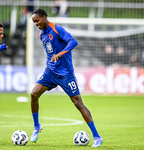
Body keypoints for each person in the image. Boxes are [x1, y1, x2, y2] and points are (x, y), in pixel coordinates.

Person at [30, 8, 103, 147]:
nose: (36, 23)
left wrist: (61, 54)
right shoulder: (41, 35)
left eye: (37, 20)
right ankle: (37, 126)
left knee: (78, 103)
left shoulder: (57, 29)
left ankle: (97, 137)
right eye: (34, 22)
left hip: (65, 74)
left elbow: (73, 41)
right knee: (34, 94)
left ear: (44, 17)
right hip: (50, 72)